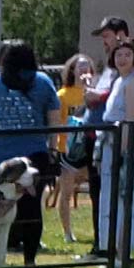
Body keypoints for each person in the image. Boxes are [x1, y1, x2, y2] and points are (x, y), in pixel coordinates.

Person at [0, 38, 63, 267]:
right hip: (35, 154)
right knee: (32, 208)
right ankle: (29, 259)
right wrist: (54, 149)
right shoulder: (43, 82)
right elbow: (54, 120)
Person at [95, 35, 134, 256]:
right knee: (110, 197)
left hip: (125, 143)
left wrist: (123, 152)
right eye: (119, 54)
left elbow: (130, 119)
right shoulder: (118, 80)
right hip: (109, 141)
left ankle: (122, 251)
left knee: (125, 196)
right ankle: (111, 249)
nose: (123, 58)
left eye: (128, 54)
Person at [54, 54, 96, 243]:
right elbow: (58, 122)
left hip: (89, 147)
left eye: (87, 67)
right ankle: (67, 232)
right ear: (72, 70)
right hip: (68, 149)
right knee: (67, 191)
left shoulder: (95, 93)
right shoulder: (63, 95)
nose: (84, 70)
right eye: (80, 67)